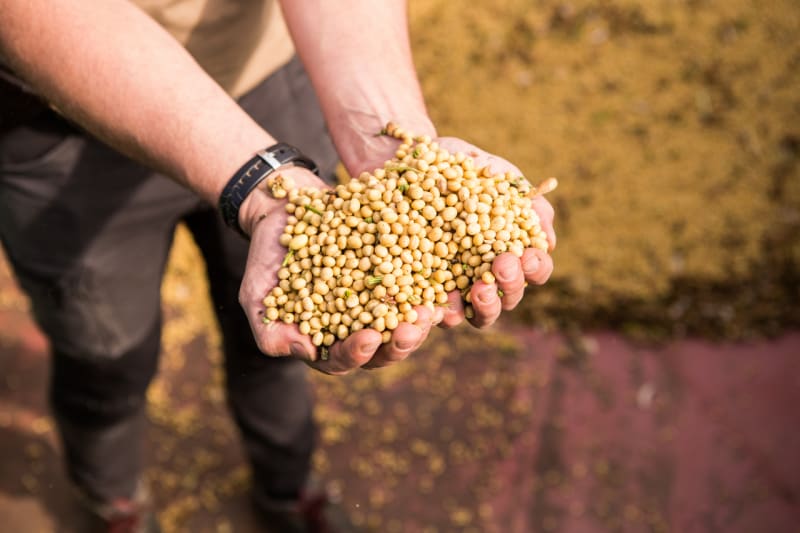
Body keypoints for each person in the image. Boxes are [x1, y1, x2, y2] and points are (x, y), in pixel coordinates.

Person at [0, 1, 556, 531]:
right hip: (58, 125)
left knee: (279, 350)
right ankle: (112, 494)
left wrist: (394, 133)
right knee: (106, 357)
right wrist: (256, 180)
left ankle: (286, 486)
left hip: (263, 78)